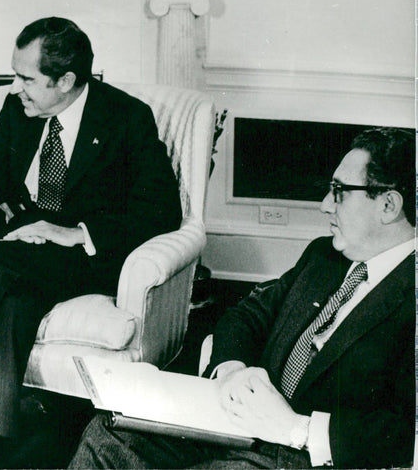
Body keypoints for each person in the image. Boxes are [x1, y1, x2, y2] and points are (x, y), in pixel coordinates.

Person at [0, 16, 182, 468]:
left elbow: (162, 211)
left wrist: (75, 234)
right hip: (17, 253)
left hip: (84, 258)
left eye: (26, 78)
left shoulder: (125, 118)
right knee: (11, 305)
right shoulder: (15, 110)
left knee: (0, 269)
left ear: (65, 80)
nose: (14, 87)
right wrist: (1, 242)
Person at [69, 126, 415, 469]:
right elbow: (247, 314)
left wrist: (297, 429)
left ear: (388, 204)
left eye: (340, 192)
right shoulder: (325, 256)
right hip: (240, 425)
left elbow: (405, 434)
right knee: (107, 436)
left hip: (308, 454)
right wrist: (232, 369)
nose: (325, 205)